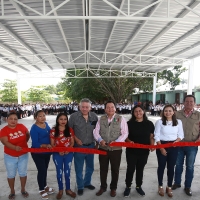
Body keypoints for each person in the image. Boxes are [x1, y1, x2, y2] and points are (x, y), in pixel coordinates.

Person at [93, 101, 128, 197]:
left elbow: (125, 133)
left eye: (112, 107)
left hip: (116, 149)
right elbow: (96, 131)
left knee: (115, 169)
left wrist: (117, 141)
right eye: (108, 107)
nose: (110, 109)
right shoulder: (101, 119)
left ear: (115, 109)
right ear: (105, 109)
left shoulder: (121, 119)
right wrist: (100, 140)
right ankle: (103, 187)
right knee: (103, 169)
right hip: (103, 148)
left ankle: (113, 188)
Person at [123, 105, 154, 197]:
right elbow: (125, 136)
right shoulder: (129, 124)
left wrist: (152, 145)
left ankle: (138, 186)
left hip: (144, 152)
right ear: (133, 113)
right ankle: (128, 186)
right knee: (130, 169)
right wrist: (129, 141)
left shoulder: (149, 124)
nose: (138, 113)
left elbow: (151, 137)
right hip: (131, 151)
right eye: (136, 111)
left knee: (140, 169)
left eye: (140, 111)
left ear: (143, 112)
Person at [68, 98, 98, 196]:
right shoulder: (73, 117)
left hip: (91, 146)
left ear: (90, 107)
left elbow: (97, 131)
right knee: (79, 168)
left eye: (86, 107)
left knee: (90, 167)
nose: (84, 109)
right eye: (82, 107)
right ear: (79, 107)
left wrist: (97, 143)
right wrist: (76, 139)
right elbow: (69, 130)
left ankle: (87, 183)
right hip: (79, 147)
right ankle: (80, 186)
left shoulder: (94, 116)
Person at [172, 95, 200, 196]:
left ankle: (187, 186)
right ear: (183, 103)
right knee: (178, 165)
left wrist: (199, 139)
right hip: (178, 144)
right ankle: (177, 183)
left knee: (190, 166)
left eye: (191, 101)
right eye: (187, 101)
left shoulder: (198, 115)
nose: (189, 103)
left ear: (194, 103)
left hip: (192, 145)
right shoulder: (176, 114)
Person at [154, 105, 184, 197]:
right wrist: (161, 148)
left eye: (170, 111)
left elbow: (181, 135)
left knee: (171, 167)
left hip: (174, 147)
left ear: (173, 112)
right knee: (161, 167)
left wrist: (177, 141)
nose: (168, 112)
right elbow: (156, 135)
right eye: (166, 111)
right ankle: (160, 186)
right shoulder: (159, 122)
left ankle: (169, 186)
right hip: (161, 145)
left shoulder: (178, 122)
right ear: (163, 112)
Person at [0, 112, 30, 200]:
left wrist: (24, 144)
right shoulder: (3, 130)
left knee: (23, 173)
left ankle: (23, 189)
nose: (13, 121)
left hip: (23, 155)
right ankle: (12, 191)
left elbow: (27, 134)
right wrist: (14, 147)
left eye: (15, 119)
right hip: (10, 156)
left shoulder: (22, 126)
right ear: (7, 119)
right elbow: (4, 142)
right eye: (11, 118)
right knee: (11, 174)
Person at [50, 113, 76, 199]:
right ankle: (60, 190)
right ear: (57, 120)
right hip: (57, 154)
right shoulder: (53, 130)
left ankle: (68, 189)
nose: (63, 121)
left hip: (68, 154)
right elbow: (52, 144)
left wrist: (68, 149)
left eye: (65, 119)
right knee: (59, 172)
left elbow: (72, 142)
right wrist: (58, 150)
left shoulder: (70, 130)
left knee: (67, 172)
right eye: (61, 119)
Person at [30, 110, 54, 200]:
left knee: (45, 170)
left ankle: (45, 186)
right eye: (40, 116)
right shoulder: (34, 128)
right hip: (38, 153)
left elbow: (50, 133)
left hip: (47, 153)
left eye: (44, 115)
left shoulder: (46, 124)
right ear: (36, 117)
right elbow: (35, 143)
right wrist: (45, 145)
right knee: (42, 170)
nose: (43, 117)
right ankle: (41, 189)